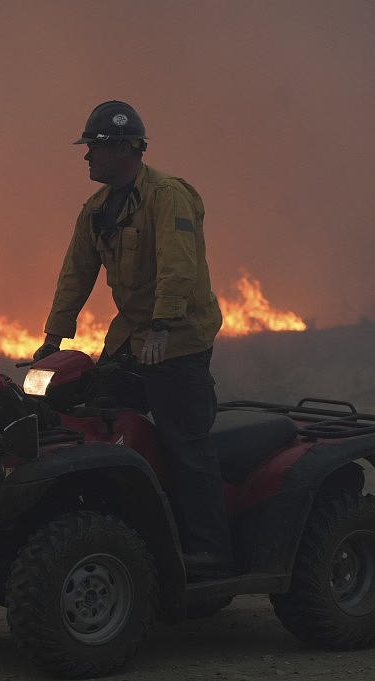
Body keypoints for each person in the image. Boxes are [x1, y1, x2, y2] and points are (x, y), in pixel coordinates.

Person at [34, 100, 233, 577]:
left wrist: (163, 326)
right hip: (131, 336)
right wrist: (53, 337)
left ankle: (210, 551)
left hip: (179, 337)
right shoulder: (97, 210)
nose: (87, 158)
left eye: (95, 148)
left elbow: (177, 266)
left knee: (185, 440)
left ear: (125, 149)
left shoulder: (167, 196)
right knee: (96, 418)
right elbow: (74, 275)